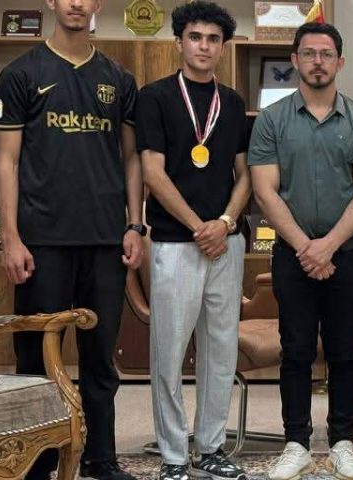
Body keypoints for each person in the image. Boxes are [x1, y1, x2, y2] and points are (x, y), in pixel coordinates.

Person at [0, 0, 143, 478]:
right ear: (51, 2)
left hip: (104, 240)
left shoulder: (119, 79)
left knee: (100, 359)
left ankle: (101, 457)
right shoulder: (21, 74)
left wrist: (134, 225)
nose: (76, 2)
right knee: (36, 357)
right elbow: (6, 161)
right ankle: (37, 462)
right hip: (42, 242)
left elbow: (131, 159)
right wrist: (11, 238)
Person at [248, 22, 353, 480]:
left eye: (326, 54)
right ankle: (296, 444)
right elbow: (265, 191)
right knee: (297, 351)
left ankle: (342, 443)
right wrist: (307, 247)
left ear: (340, 62)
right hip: (293, 254)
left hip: (346, 253)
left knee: (344, 352)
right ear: (295, 61)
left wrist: (328, 247)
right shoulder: (272, 120)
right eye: (308, 54)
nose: (318, 62)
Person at [136, 2, 251, 479]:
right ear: (179, 42)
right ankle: (173, 455)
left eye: (213, 39)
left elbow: (245, 174)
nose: (204, 46)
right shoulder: (155, 97)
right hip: (174, 243)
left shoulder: (234, 103)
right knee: (168, 352)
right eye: (195, 37)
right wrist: (197, 227)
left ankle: (212, 447)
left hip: (226, 243)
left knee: (221, 350)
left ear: (223, 48)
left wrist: (223, 222)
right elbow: (152, 172)